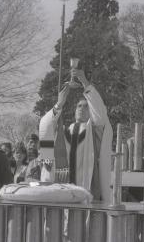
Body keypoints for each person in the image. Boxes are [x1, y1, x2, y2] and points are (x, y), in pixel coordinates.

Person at [39, 68, 113, 202]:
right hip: (62, 188)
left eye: (86, 107)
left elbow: (100, 114)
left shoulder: (94, 131)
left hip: (86, 188)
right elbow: (44, 128)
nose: (81, 109)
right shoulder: (61, 133)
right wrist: (59, 104)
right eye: (79, 106)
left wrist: (85, 82)